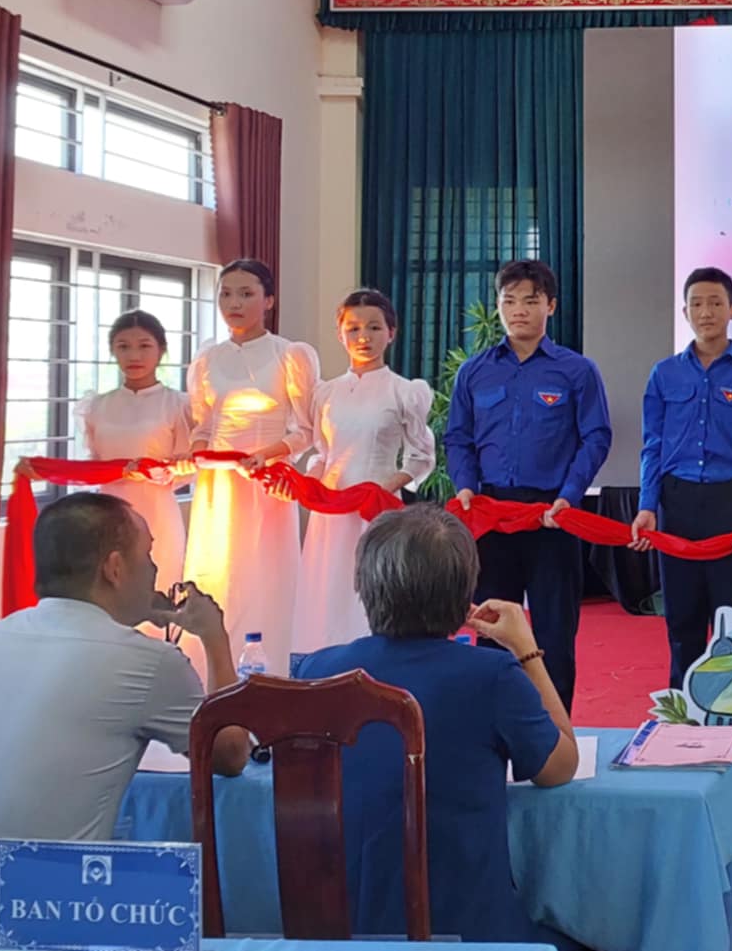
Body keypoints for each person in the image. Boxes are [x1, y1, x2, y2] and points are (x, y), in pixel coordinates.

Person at [0, 494, 249, 933]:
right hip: (27, 925)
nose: (155, 570)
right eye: (148, 554)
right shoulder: (149, 661)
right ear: (114, 568)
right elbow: (231, 754)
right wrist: (215, 637)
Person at [296, 505, 577, 943]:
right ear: (466, 591)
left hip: (337, 932)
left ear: (362, 584)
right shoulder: (491, 676)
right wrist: (527, 650)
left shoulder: (316, 670)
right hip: (469, 934)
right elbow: (560, 766)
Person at [444, 259, 610, 711]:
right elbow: (458, 437)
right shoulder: (475, 371)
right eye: (509, 300)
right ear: (498, 305)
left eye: (530, 301)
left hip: (553, 515)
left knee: (555, 630)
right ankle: (495, 727)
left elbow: (596, 437)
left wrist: (569, 496)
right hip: (491, 514)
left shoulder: (576, 371)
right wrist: (465, 485)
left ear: (550, 306)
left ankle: (557, 731)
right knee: (491, 629)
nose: (519, 310)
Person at [630, 268, 732, 688]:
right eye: (696, 303)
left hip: (731, 506)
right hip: (677, 505)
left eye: (715, 303)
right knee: (682, 619)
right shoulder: (664, 374)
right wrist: (647, 506)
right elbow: (652, 447)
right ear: (685, 312)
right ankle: (683, 708)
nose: (706, 312)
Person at [183, 258, 319, 676]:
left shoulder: (289, 355)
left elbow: (305, 430)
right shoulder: (208, 359)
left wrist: (268, 454)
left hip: (266, 483)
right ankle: (208, 668)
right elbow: (203, 424)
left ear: (269, 301)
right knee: (217, 570)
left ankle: (270, 668)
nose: (234, 304)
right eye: (226, 294)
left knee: (265, 574)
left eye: (246, 294)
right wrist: (200, 450)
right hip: (217, 485)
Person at [288, 290, 436, 654]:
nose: (363, 337)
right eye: (353, 329)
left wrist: (384, 488)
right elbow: (322, 451)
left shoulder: (404, 391)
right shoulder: (325, 393)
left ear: (392, 332)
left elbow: (420, 456)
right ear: (340, 335)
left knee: (372, 588)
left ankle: (375, 664)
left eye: (374, 327)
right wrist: (312, 481)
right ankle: (323, 665)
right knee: (327, 588)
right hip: (331, 510)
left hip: (376, 509)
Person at [19, 309, 192, 591]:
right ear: (112, 350)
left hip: (157, 512)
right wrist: (46, 470)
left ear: (161, 350)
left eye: (144, 346)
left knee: (157, 590)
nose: (134, 356)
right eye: (123, 346)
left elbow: (188, 468)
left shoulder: (177, 405)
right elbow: (93, 466)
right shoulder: (97, 406)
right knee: (106, 591)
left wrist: (156, 473)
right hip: (108, 512)